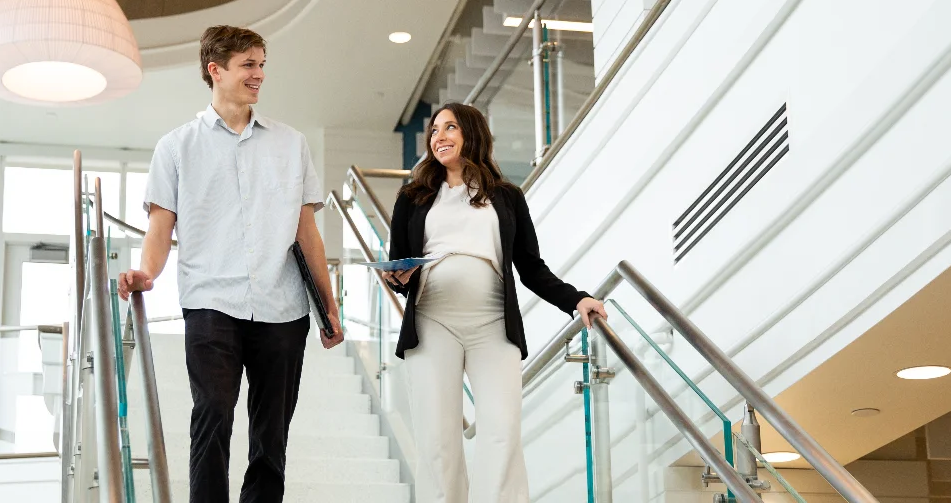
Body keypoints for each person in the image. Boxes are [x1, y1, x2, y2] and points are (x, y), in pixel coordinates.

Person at [117, 25, 344, 503]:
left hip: (283, 307)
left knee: (271, 434)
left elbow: (307, 233)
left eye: (262, 64)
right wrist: (149, 274)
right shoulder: (176, 147)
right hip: (210, 301)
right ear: (214, 70)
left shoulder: (291, 144)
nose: (259, 74)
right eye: (248, 64)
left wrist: (328, 304)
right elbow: (161, 227)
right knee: (213, 414)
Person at [381, 102, 606, 503]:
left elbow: (531, 267)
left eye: (449, 128)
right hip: (432, 323)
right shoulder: (412, 198)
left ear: (472, 133)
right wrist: (397, 278)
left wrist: (577, 299)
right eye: (434, 131)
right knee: (437, 439)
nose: (439, 137)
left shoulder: (506, 197)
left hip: (492, 326)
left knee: (502, 433)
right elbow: (401, 268)